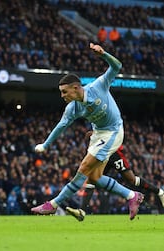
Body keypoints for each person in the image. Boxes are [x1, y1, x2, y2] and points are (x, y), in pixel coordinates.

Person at [31, 43, 144, 220]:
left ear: (76, 88)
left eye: (64, 91)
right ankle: (132, 196)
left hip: (114, 131)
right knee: (94, 176)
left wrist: (104, 54)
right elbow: (61, 126)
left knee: (83, 167)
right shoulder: (72, 108)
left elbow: (117, 66)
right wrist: (45, 145)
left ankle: (53, 204)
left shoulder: (98, 86)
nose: (62, 96)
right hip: (99, 133)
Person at [66, 144, 164, 222]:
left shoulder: (109, 117)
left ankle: (159, 192)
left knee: (131, 179)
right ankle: (82, 211)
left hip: (113, 152)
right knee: (92, 178)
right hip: (102, 152)